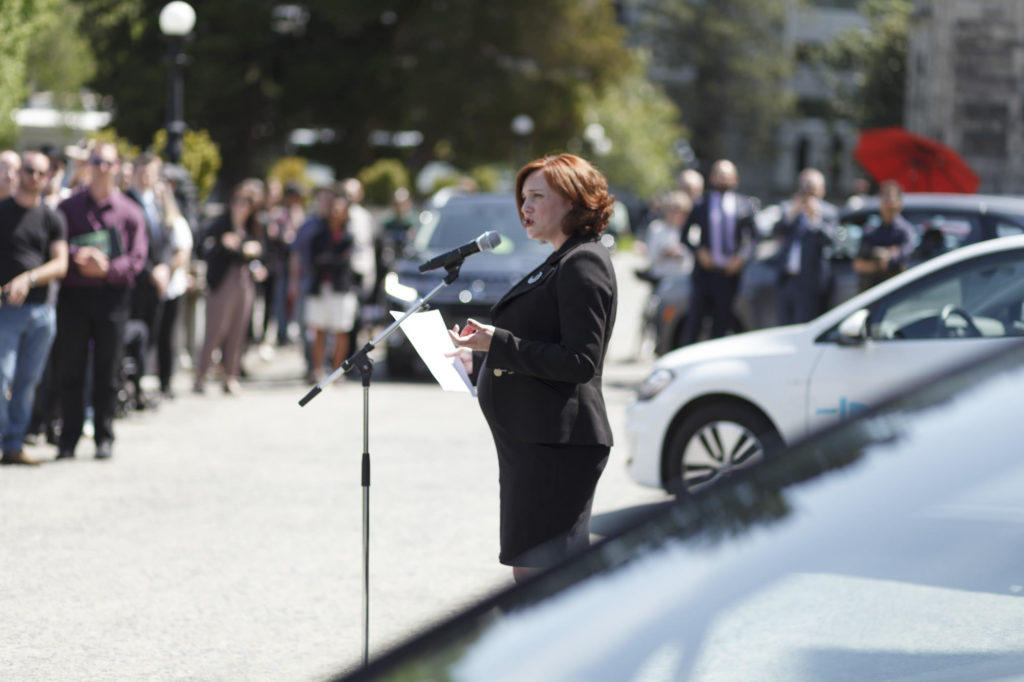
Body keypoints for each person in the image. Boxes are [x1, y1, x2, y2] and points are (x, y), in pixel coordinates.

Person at [448, 153, 617, 584]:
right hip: (533, 443)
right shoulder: (560, 258)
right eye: (523, 197)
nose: (525, 207)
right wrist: (481, 355)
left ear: (574, 202)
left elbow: (580, 361)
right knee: (534, 577)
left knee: (543, 581)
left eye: (538, 197)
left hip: (557, 446)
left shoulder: (584, 262)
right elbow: (539, 341)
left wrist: (497, 343)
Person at [55, 142, 148, 460]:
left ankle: (104, 437)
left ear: (117, 167)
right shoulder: (69, 208)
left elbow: (137, 259)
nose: (102, 168)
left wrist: (108, 268)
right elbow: (54, 244)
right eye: (97, 162)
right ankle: (68, 437)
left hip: (112, 299)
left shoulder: (130, 211)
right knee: (71, 368)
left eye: (108, 163)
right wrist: (78, 256)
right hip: (75, 297)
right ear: (89, 165)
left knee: (108, 370)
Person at [0, 151, 68, 465]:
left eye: (43, 173)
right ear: (20, 173)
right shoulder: (3, 212)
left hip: (42, 312)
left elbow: (60, 264)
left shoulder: (52, 217)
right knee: (3, 377)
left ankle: (14, 444)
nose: (36, 177)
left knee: (28, 382)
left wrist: (28, 279)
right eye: (30, 171)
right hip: (7, 311)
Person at [193, 183, 263, 395]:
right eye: (237, 201)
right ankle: (201, 375)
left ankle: (230, 376)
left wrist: (254, 257)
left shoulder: (253, 227)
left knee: (238, 330)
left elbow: (260, 250)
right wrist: (225, 246)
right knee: (216, 329)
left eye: (246, 202)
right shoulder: (219, 224)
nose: (241, 206)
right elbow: (205, 247)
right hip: (222, 281)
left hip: (245, 281)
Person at [679, 159, 758, 344]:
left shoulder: (744, 205)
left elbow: (754, 238)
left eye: (727, 175)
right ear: (712, 177)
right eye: (719, 174)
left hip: (729, 275)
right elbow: (685, 235)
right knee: (695, 321)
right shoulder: (701, 204)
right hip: (705, 273)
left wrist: (741, 258)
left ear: (735, 179)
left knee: (723, 322)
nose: (723, 179)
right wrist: (699, 251)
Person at [126, 153, 170, 408]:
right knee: (134, 336)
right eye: (143, 170)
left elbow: (162, 240)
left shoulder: (157, 204)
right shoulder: (127, 201)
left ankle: (142, 385)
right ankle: (133, 387)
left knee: (150, 337)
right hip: (137, 282)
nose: (147, 176)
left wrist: (163, 267)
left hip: (157, 282)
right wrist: (151, 270)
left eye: (152, 172)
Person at [772, 168, 839, 324]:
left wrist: (815, 220)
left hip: (811, 284)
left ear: (821, 191)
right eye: (803, 188)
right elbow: (776, 232)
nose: (807, 194)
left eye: (811, 189)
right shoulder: (789, 208)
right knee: (784, 328)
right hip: (787, 280)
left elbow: (832, 242)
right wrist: (792, 213)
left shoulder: (828, 212)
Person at [305, 195, 358, 383]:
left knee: (340, 331)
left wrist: (328, 260)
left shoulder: (348, 237)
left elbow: (343, 262)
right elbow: (315, 260)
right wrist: (330, 260)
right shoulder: (319, 236)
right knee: (318, 329)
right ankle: (317, 369)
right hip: (321, 288)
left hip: (340, 289)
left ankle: (337, 371)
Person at [155, 178, 193, 398]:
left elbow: (183, 253)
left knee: (168, 337)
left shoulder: (176, 222)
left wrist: (166, 271)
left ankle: (166, 381)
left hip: (172, 287)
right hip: (156, 285)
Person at [852, 180, 915, 292]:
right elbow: (859, 264)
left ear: (899, 203)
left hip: (894, 292)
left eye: (890, 198)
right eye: (884, 198)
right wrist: (879, 261)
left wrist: (887, 258)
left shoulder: (905, 231)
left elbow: (902, 259)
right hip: (870, 291)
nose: (887, 203)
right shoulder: (871, 229)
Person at [644, 190, 694, 280]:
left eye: (678, 209)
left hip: (684, 281)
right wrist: (666, 253)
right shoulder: (656, 228)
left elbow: (693, 259)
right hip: (659, 279)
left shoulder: (692, 230)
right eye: (670, 208)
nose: (673, 213)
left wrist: (680, 252)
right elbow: (650, 257)